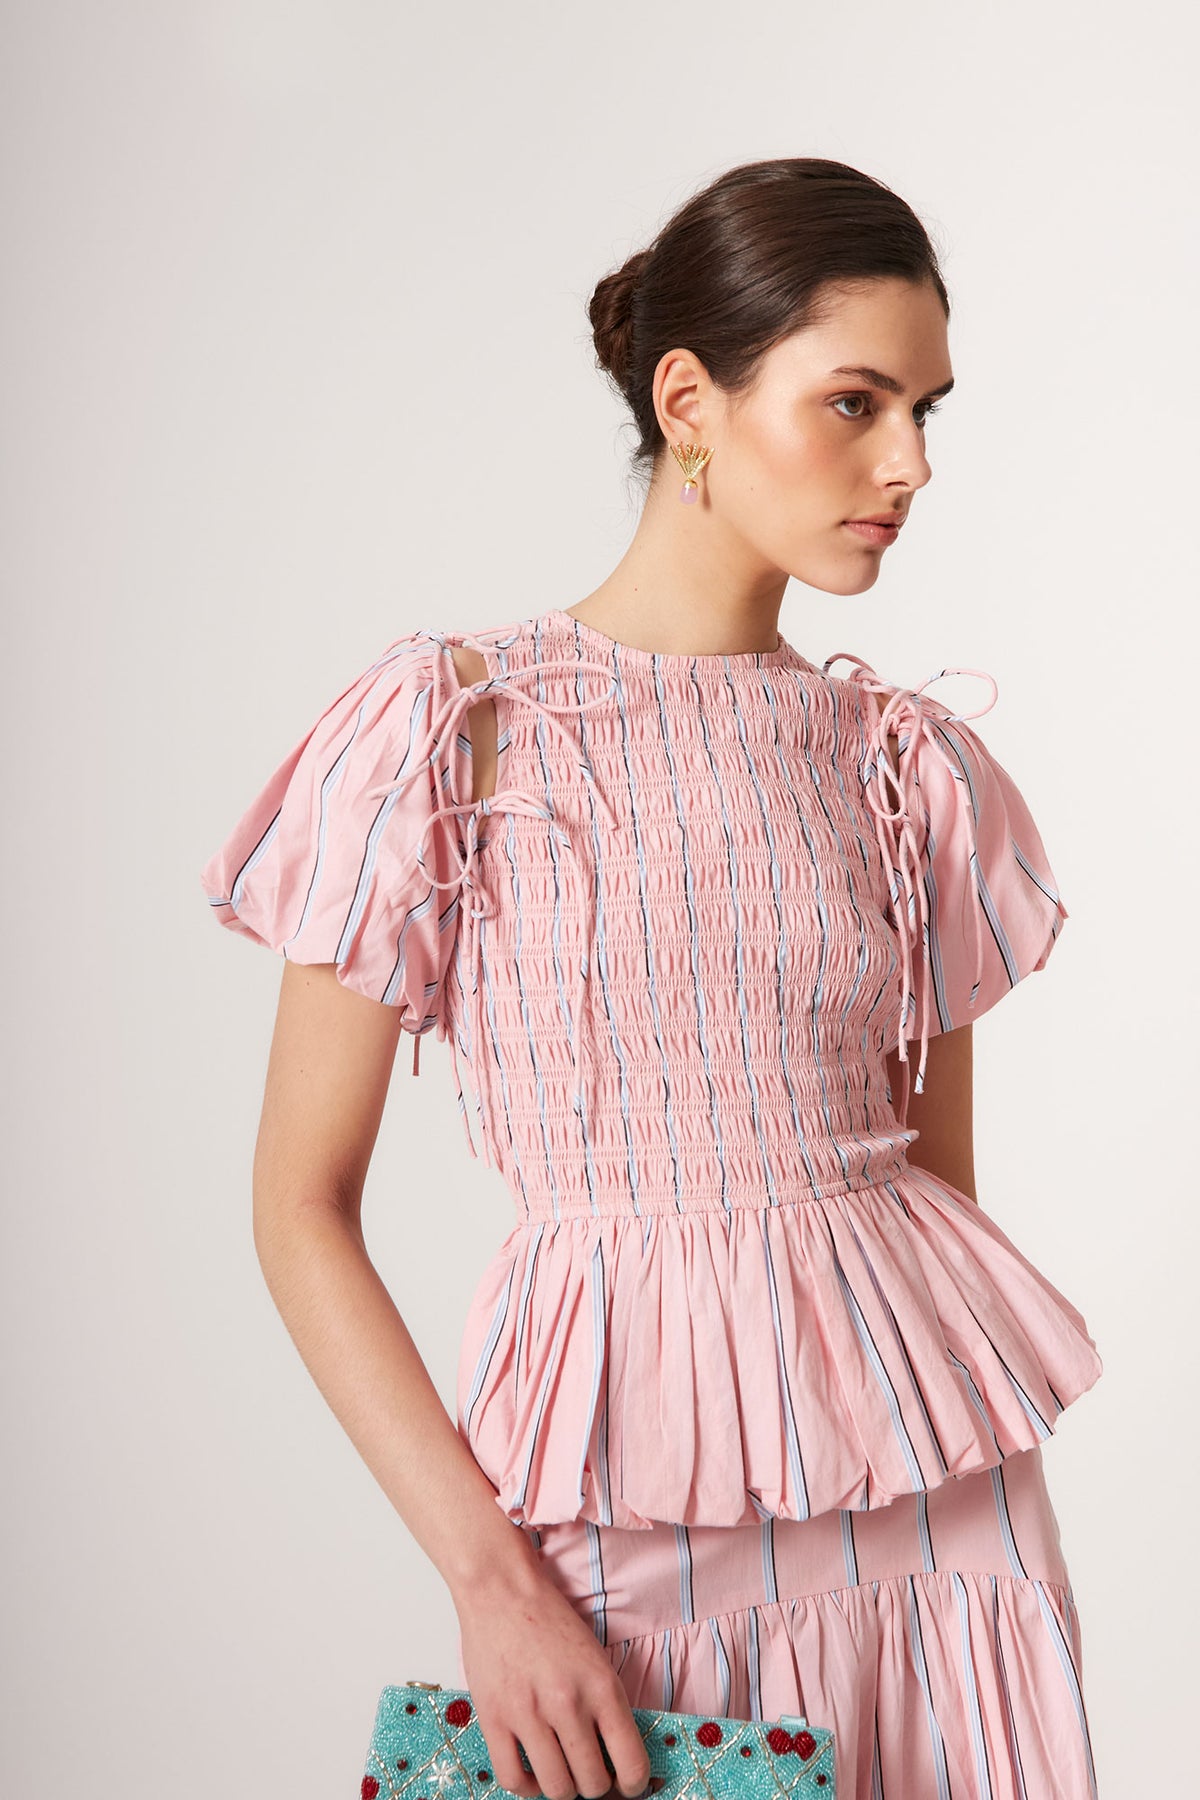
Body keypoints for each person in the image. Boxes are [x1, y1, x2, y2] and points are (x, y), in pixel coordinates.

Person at [199, 157, 1105, 1800]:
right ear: (691, 401)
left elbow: (943, 1193)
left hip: (942, 1526)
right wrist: (488, 1581)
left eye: (925, 412)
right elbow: (297, 1207)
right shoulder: (458, 730)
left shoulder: (906, 769)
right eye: (855, 403)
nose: (908, 463)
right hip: (613, 1512)